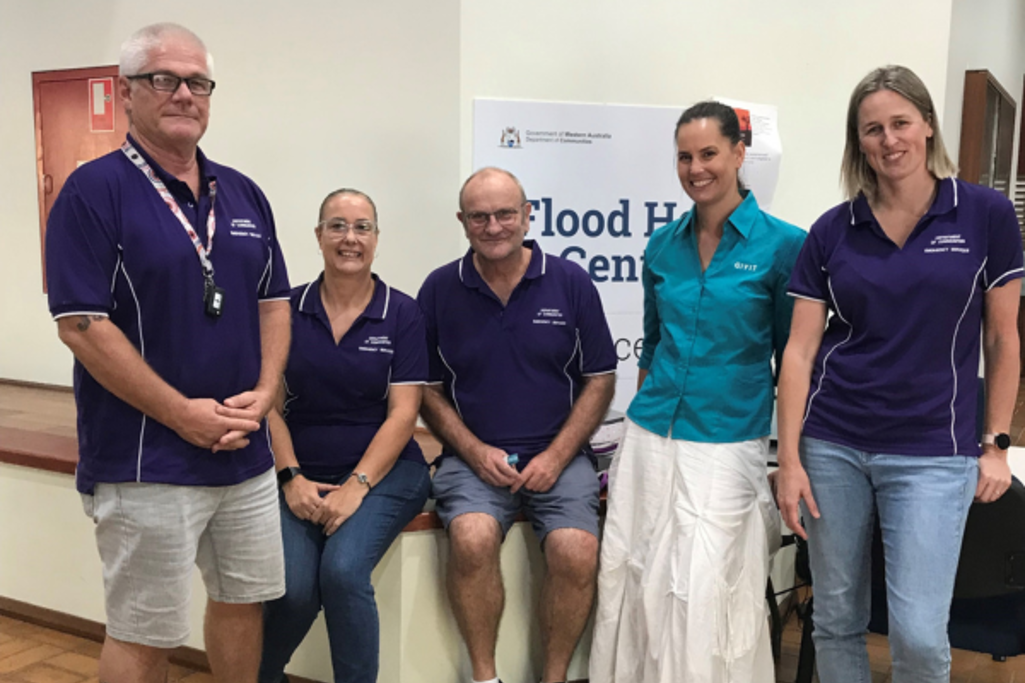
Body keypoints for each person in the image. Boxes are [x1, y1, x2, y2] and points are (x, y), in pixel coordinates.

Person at [44, 23, 290, 683]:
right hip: (145, 458)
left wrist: (267, 393)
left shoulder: (242, 193)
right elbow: (82, 326)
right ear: (127, 92)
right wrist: (182, 414)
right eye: (164, 79)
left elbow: (273, 303)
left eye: (198, 83)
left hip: (244, 450)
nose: (184, 94)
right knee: (144, 633)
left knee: (242, 603)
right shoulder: (92, 192)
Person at [775, 65, 1022, 683]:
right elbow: (799, 351)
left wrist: (997, 444)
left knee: (917, 632)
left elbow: (1002, 336)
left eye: (901, 123)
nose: (889, 140)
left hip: (933, 451)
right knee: (835, 617)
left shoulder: (985, 215)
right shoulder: (833, 230)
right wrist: (791, 459)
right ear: (858, 142)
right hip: (833, 444)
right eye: (873, 129)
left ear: (928, 125)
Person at [590, 101, 806, 683]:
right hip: (650, 435)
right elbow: (653, 345)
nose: (696, 168)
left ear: (738, 153)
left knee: (706, 586)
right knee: (636, 574)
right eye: (685, 157)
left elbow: (794, 360)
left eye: (709, 153)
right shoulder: (663, 246)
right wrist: (637, 426)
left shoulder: (785, 246)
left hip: (727, 437)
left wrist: (791, 458)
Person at [417, 167, 617, 683]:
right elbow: (427, 390)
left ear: (528, 215)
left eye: (505, 214)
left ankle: (554, 677)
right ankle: (486, 678)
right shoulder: (439, 289)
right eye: (479, 217)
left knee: (578, 551)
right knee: (471, 537)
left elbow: (599, 379)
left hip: (560, 458)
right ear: (462, 221)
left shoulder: (570, 282)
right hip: (472, 460)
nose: (493, 227)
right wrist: (473, 450)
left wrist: (556, 456)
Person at [258, 189, 431, 683]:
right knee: (291, 590)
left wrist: (357, 485)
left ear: (376, 239)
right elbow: (268, 404)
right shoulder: (285, 309)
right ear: (318, 236)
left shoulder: (402, 313)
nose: (349, 238)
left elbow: (404, 414)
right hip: (300, 471)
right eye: (337, 226)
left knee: (342, 572)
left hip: (388, 473)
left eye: (361, 227)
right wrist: (291, 477)